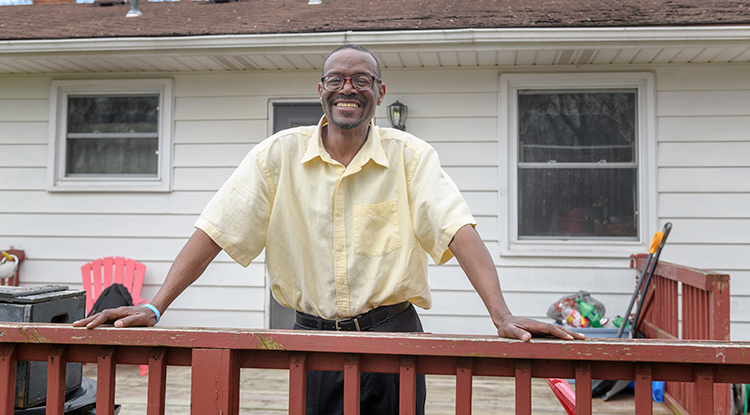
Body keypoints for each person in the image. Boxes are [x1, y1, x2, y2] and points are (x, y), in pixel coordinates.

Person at [74, 44, 584, 414]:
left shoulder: (410, 158)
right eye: (337, 78)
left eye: (362, 78)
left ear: (379, 93)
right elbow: (216, 229)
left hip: (395, 340)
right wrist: (156, 304)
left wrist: (501, 315)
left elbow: (456, 229)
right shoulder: (279, 155)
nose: (349, 87)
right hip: (311, 343)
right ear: (320, 90)